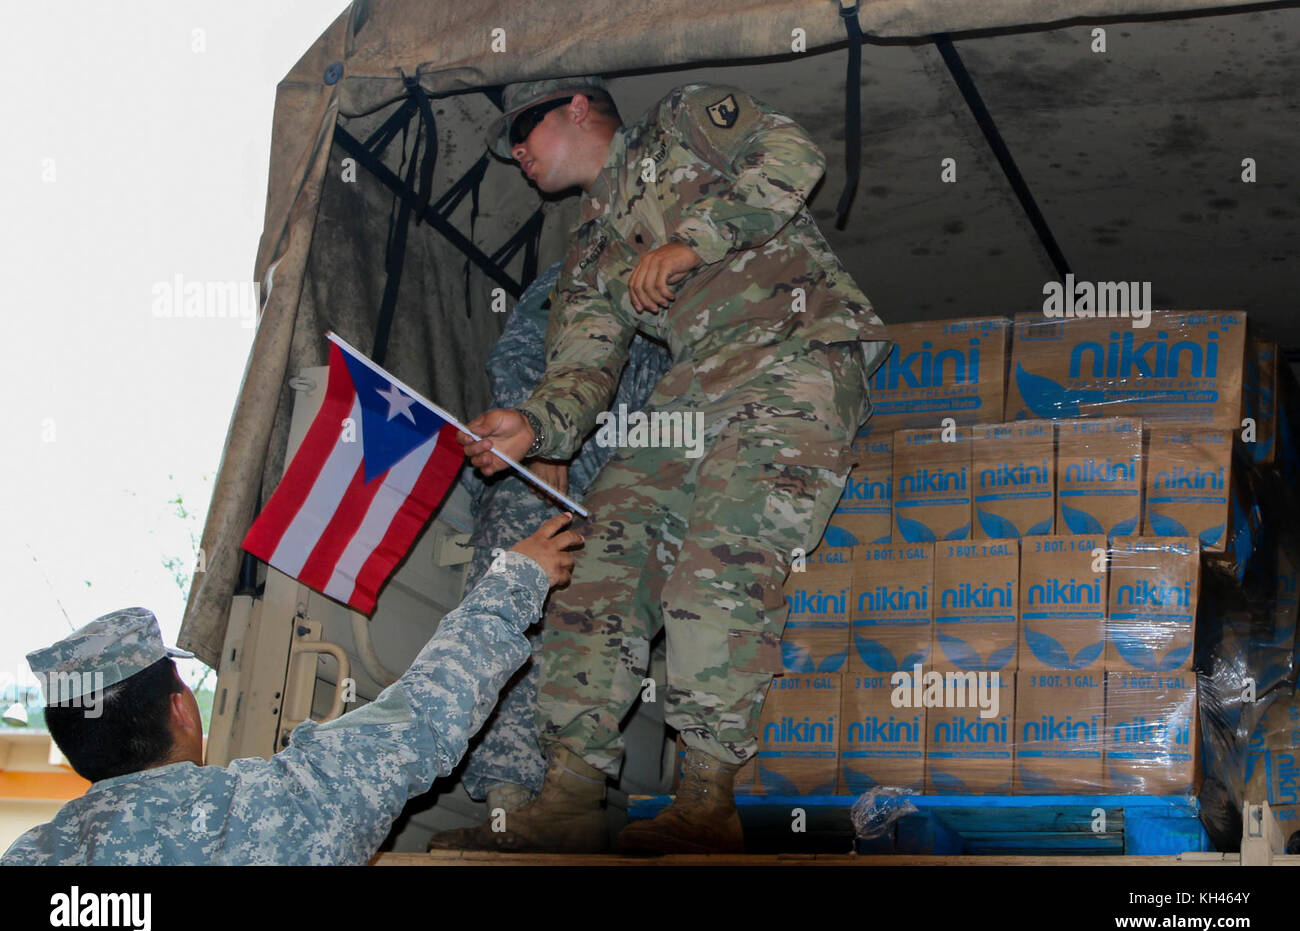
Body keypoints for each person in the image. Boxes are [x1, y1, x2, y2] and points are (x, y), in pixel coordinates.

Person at [459, 76, 891, 853]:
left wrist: (697, 238)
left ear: (579, 107)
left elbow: (793, 154)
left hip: (793, 355)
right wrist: (532, 424)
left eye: (523, 129)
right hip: (692, 389)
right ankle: (570, 792)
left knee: (715, 570)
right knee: (600, 566)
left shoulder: (684, 120)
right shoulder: (589, 246)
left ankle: (706, 796)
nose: (516, 152)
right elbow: (583, 372)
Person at [1, 514, 582, 865]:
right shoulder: (267, 807)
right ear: (181, 709)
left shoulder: (31, 858)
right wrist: (518, 578)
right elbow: (426, 713)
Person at [429, 261, 671, 849]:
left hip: (636, 488)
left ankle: (566, 801)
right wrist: (538, 436)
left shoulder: (694, 259)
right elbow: (519, 357)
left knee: (596, 639)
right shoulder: (585, 267)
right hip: (551, 478)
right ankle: (511, 811)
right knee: (518, 616)